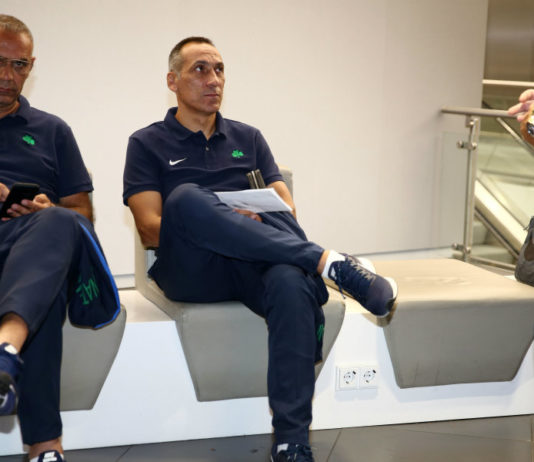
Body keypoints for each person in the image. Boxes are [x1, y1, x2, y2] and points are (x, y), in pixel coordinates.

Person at [123, 36, 398, 462]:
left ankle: (291, 440)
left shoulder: (248, 138)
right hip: (193, 268)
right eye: (200, 70)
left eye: (219, 69)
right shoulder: (146, 142)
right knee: (186, 198)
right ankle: (327, 263)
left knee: (289, 281)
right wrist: (221, 217)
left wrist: (247, 221)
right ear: (172, 81)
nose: (213, 79)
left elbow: (285, 207)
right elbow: (149, 229)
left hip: (254, 261)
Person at [0, 14, 117, 462]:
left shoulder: (52, 131)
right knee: (41, 289)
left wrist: (46, 209)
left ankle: (6, 347)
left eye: (19, 65)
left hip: (35, 248)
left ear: (31, 67)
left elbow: (83, 215)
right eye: (0, 62)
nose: (8, 75)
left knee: (58, 225)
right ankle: (46, 447)